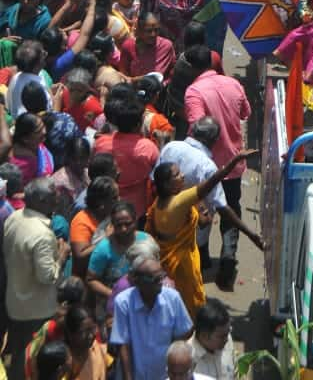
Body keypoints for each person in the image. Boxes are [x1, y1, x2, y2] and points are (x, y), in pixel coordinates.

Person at [147, 146, 253, 318]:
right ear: (167, 184)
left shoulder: (161, 202)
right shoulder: (178, 202)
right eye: (177, 175)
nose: (182, 176)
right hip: (183, 265)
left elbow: (201, 222)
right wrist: (234, 161)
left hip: (176, 261)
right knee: (190, 305)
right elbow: (212, 181)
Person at [184, 46, 251, 292]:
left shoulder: (194, 92)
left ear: (192, 67)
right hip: (233, 164)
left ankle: (202, 258)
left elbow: (197, 127)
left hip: (206, 168)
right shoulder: (233, 84)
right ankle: (228, 253)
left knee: (201, 210)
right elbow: (246, 112)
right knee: (230, 208)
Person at [3, 178, 70, 380]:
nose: (57, 196)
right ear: (41, 200)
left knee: (17, 354)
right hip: (36, 310)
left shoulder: (14, 218)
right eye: (53, 194)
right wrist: (62, 255)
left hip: (15, 302)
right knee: (31, 360)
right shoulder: (42, 234)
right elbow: (47, 276)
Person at [112, 256, 192, 380]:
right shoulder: (123, 302)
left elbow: (185, 332)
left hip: (164, 375)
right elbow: (123, 345)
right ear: (138, 281)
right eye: (156, 279)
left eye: (162, 276)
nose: (161, 282)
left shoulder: (173, 298)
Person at [93, 94, 159, 222]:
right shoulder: (148, 148)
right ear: (138, 124)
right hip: (137, 210)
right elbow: (158, 173)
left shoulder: (100, 143)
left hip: (106, 208)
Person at [189, 298, 234, 380]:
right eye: (222, 336)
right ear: (204, 336)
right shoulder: (186, 360)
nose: (227, 339)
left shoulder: (227, 340)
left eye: (229, 331)